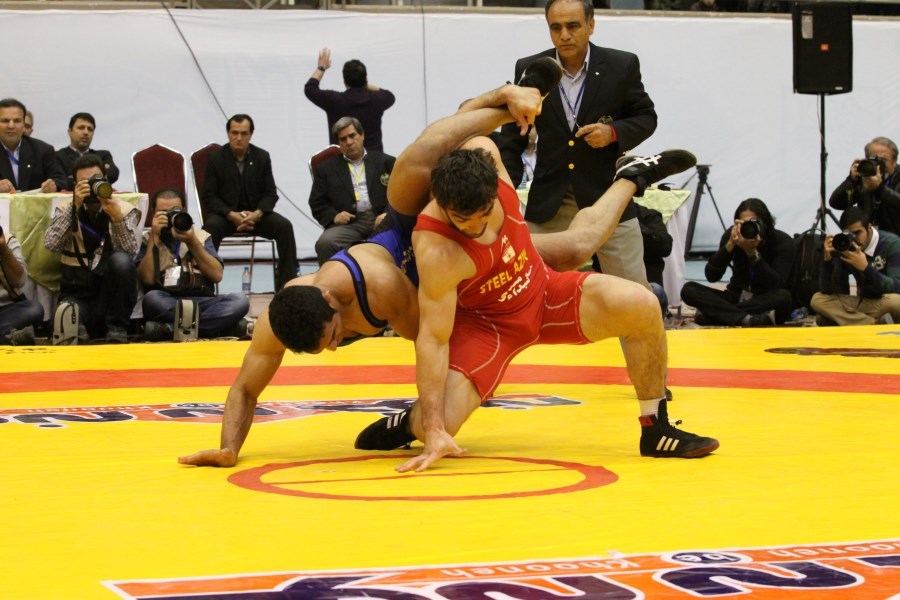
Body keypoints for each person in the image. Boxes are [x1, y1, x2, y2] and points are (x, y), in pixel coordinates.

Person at [178, 81, 694, 469]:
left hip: (497, 276)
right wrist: (229, 447)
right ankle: (412, 422)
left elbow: (431, 337)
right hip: (476, 300)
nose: (335, 349)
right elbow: (247, 388)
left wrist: (506, 100)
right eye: (325, 349)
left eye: (333, 338)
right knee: (435, 423)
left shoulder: (401, 260)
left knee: (600, 265)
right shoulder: (426, 247)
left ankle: (631, 176)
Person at [356, 139, 717, 472]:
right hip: (489, 328)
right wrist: (433, 426)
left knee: (643, 304)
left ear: (495, 182)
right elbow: (433, 340)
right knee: (440, 425)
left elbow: (473, 127)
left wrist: (522, 97)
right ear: (441, 200)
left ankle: (656, 428)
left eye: (484, 213)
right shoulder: (436, 248)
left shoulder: (485, 151)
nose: (476, 227)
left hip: (542, 289)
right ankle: (409, 423)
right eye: (462, 220)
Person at [486, 0, 657, 287]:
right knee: (525, 286)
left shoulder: (621, 65)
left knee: (634, 292)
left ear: (591, 25)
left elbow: (646, 117)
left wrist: (613, 132)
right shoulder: (531, 68)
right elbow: (512, 139)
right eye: (556, 27)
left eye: (573, 26)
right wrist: (504, 195)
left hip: (607, 195)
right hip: (550, 198)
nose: (564, 35)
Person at [44, 155, 139, 344]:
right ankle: (79, 330)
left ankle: (117, 328)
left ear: (106, 180)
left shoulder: (123, 209)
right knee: (65, 315)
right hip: (78, 293)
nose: (91, 187)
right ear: (75, 185)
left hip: (110, 297)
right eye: (84, 183)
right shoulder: (66, 208)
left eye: (96, 180)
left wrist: (117, 220)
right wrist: (75, 206)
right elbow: (51, 244)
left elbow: (129, 255)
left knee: (121, 261)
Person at [200, 114, 298, 291]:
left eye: (244, 133)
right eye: (234, 133)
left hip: (255, 217)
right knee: (209, 229)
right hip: (226, 217)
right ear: (228, 134)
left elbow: (270, 194)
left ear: (251, 134)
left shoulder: (262, 157)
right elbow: (209, 196)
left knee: (284, 227)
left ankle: (288, 286)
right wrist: (231, 214)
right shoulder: (215, 158)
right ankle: (205, 285)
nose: (239, 138)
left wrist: (257, 214)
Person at [137, 188, 249, 341]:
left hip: (203, 301)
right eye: (163, 212)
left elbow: (217, 275)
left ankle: (171, 329)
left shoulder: (200, 236)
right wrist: (154, 237)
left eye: (175, 211)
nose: (170, 216)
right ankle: (215, 328)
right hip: (168, 301)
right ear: (153, 213)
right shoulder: (147, 239)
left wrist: (192, 242)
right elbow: (147, 279)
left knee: (240, 300)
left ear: (184, 211)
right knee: (151, 299)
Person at [680, 198, 794, 327]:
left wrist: (752, 254)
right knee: (688, 289)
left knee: (784, 297)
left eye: (754, 223)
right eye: (744, 223)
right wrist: (729, 246)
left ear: (765, 223)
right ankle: (747, 319)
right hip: (737, 295)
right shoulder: (733, 236)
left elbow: (776, 284)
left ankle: (719, 315)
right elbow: (711, 276)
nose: (749, 228)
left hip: (763, 300)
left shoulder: (782, 242)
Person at [309, 117, 396, 264]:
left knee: (405, 235)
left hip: (381, 218)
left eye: (352, 136)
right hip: (350, 224)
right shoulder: (326, 169)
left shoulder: (385, 162)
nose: (349, 142)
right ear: (339, 143)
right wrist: (334, 215)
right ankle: (330, 278)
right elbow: (316, 202)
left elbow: (400, 194)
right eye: (343, 139)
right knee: (325, 243)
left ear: (362, 136)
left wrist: (388, 212)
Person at [810, 206, 900, 326]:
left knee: (896, 301)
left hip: (887, 301)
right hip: (863, 304)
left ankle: (849, 320)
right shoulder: (845, 246)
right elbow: (829, 292)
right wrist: (827, 262)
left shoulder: (892, 243)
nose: (855, 239)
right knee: (817, 299)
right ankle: (873, 324)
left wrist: (866, 268)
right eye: (850, 234)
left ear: (869, 227)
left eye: (858, 233)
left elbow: (897, 287)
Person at [304, 48, 396, 152]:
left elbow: (310, 89)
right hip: (374, 159)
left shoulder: (334, 101)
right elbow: (390, 95)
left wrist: (321, 67)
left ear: (344, 81)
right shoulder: (378, 99)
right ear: (365, 78)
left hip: (342, 159)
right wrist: (364, 84)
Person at [829, 136, 900, 237]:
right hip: (868, 239)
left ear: (894, 161)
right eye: (874, 160)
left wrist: (879, 189)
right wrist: (851, 180)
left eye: (883, 160)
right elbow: (836, 203)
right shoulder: (864, 177)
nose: (879, 165)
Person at [0, 98, 66, 194]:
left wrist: (54, 184)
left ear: (23, 125)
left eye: (17, 121)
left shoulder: (43, 150)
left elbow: (61, 180)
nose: (11, 126)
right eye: (5, 121)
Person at [0, 224, 44, 345]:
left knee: (34, 309)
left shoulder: (7, 241)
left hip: (4, 311)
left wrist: (4, 250)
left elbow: (19, 281)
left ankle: (6, 337)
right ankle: (8, 338)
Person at [55, 112, 120, 190]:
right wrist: (97, 180)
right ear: (70, 131)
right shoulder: (58, 156)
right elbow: (61, 182)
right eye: (81, 128)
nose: (86, 132)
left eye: (90, 129)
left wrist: (75, 179)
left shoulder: (103, 155)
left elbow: (113, 174)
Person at [635, 203, 673, 315]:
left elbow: (666, 247)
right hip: (612, 285)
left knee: (656, 291)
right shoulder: (603, 217)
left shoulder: (649, 216)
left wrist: (634, 226)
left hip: (647, 284)